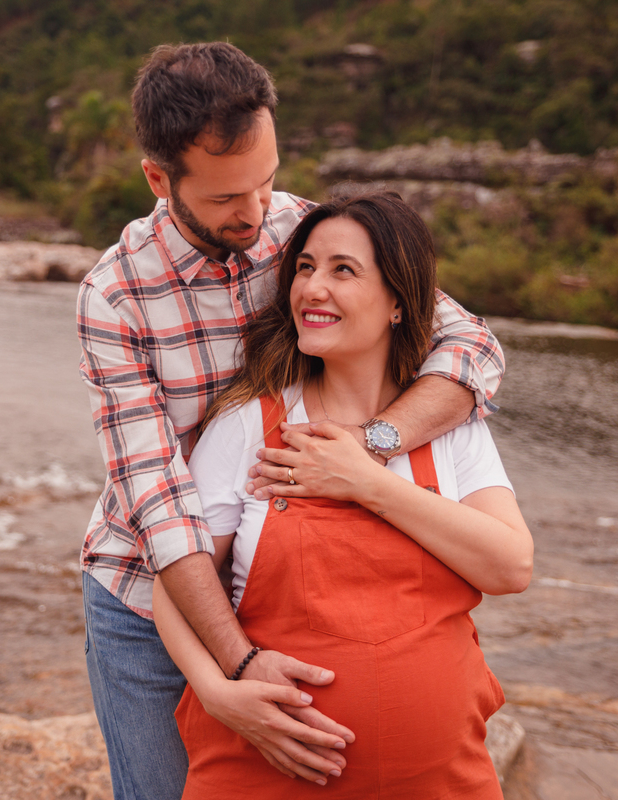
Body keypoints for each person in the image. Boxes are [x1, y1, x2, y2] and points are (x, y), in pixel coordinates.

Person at [76, 43, 506, 800]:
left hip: (272, 571)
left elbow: (471, 345)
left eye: (267, 181)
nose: (257, 212)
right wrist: (229, 674)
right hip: (153, 593)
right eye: (225, 199)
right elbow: (159, 504)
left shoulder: (309, 235)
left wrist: (374, 446)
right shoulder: (114, 297)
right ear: (158, 178)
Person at [153, 191, 532, 798]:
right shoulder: (248, 425)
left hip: (440, 783)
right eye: (305, 267)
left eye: (343, 270)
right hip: (263, 776)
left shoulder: (453, 429)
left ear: (400, 307)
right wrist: (220, 689)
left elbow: (511, 565)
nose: (312, 289)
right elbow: (177, 579)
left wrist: (365, 479)